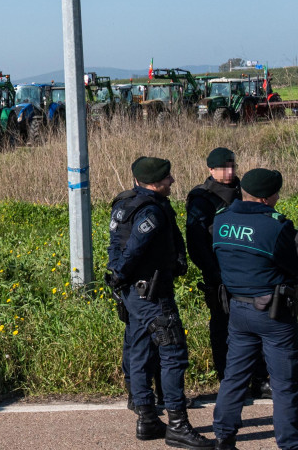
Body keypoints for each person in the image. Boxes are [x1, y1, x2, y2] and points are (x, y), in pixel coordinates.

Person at [106, 156, 214, 448]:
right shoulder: (150, 212)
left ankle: (147, 418)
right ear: (154, 182)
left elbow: (114, 245)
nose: (172, 181)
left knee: (140, 350)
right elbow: (133, 250)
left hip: (133, 295)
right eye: (167, 178)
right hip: (151, 294)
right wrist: (120, 274)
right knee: (173, 353)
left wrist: (119, 280)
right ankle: (178, 425)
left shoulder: (125, 202)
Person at [212, 168, 298, 450]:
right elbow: (292, 266)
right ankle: (289, 443)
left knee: (235, 375)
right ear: (267, 198)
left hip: (237, 310)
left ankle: (224, 437)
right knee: (284, 383)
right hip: (274, 314)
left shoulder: (222, 220)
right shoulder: (276, 226)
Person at [185, 147, 243, 382]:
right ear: (211, 169)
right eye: (223, 168)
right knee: (223, 327)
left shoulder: (244, 190)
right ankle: (226, 376)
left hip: (247, 271)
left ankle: (258, 378)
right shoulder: (202, 198)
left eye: (232, 166)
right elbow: (196, 243)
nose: (229, 172)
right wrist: (213, 273)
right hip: (219, 273)